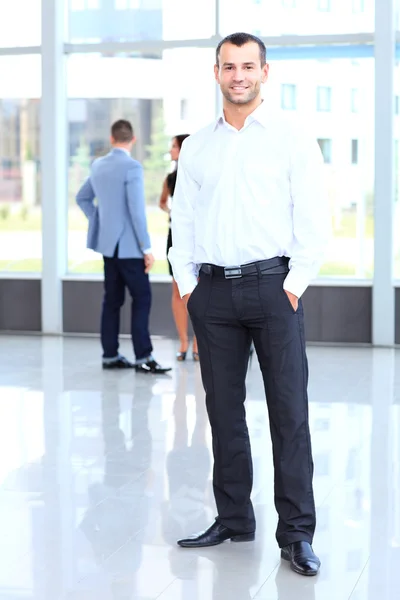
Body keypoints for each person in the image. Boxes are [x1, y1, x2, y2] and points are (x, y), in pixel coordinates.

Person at [168, 32, 330, 576]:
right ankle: (234, 517)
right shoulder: (197, 145)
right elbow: (183, 223)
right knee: (223, 414)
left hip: (272, 288)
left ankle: (297, 533)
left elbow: (312, 216)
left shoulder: (290, 137)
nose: (238, 75)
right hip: (211, 293)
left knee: (290, 414)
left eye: (248, 66)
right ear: (216, 73)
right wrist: (189, 286)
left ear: (265, 72)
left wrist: (295, 283)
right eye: (229, 66)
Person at [76, 119, 171, 374]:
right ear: (133, 139)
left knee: (112, 301)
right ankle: (143, 357)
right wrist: (146, 248)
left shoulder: (98, 165)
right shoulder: (132, 167)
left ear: (111, 138)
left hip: (109, 247)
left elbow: (82, 197)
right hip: (129, 248)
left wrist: (99, 219)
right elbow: (136, 212)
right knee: (142, 298)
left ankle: (110, 355)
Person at [159, 134, 199, 361]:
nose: (171, 150)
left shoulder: (196, 174)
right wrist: (173, 214)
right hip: (175, 236)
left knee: (200, 291)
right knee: (177, 289)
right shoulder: (170, 178)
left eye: (173, 146)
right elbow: (162, 202)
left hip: (198, 237)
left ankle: (198, 344)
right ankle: (184, 342)